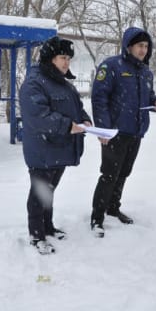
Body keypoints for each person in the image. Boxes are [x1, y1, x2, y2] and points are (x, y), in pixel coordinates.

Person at [19, 36, 92, 254]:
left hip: (60, 147)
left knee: (49, 192)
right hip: (42, 148)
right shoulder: (34, 82)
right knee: (39, 193)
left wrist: (85, 119)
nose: (66, 63)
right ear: (50, 58)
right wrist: (68, 126)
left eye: (68, 58)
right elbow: (37, 116)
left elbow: (77, 108)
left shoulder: (64, 83)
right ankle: (36, 234)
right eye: (62, 58)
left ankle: (48, 227)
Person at [90, 27, 156, 237]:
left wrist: (155, 101)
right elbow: (99, 98)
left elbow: (148, 95)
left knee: (124, 173)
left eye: (146, 46)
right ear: (129, 46)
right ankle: (97, 217)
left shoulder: (145, 71)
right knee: (109, 174)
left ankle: (113, 207)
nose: (143, 50)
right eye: (140, 45)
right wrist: (103, 129)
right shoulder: (111, 66)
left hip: (136, 131)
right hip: (115, 132)